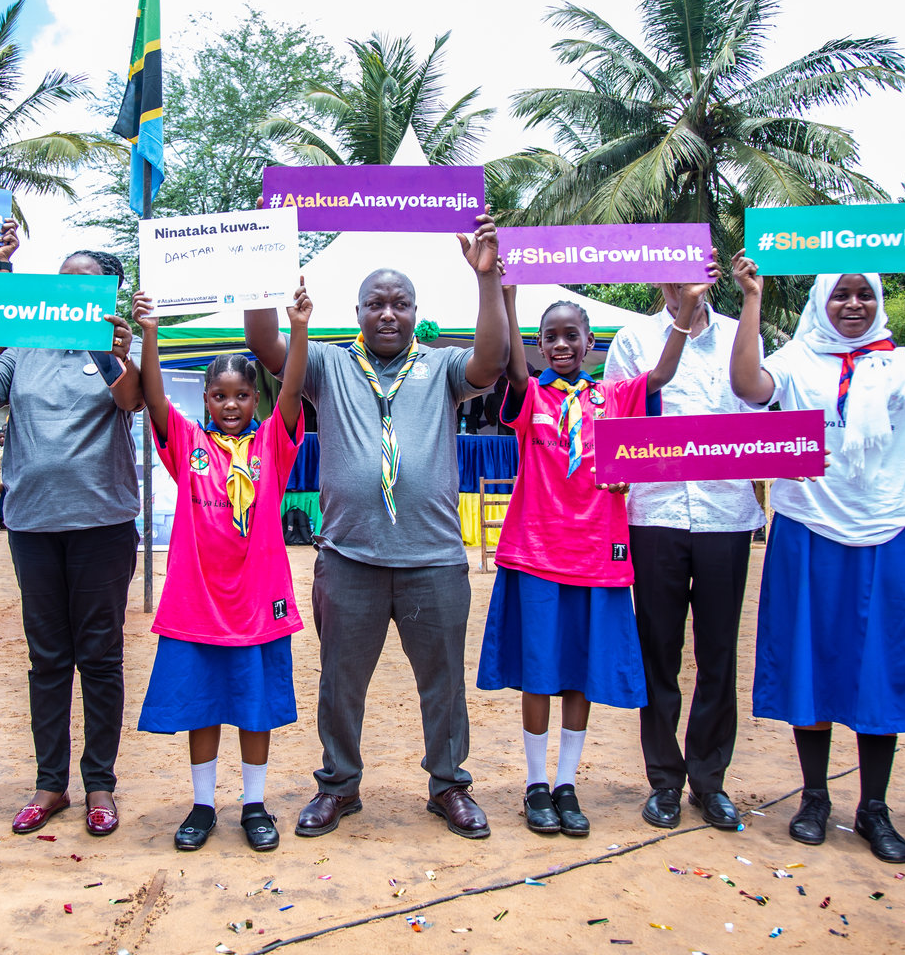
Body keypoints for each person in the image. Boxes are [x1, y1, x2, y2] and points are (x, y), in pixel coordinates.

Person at [728, 244, 905, 864]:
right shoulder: (796, 360)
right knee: (812, 666)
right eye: (841, 294)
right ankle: (816, 797)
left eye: (864, 294)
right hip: (807, 530)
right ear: (822, 300)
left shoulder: (904, 366)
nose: (853, 304)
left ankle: (873, 806)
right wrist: (751, 300)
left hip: (886, 537)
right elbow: (748, 387)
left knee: (883, 670)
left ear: (877, 301)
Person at [243, 213, 508, 840]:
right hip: (349, 559)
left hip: (434, 559)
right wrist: (257, 261)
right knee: (339, 681)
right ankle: (338, 786)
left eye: (401, 304)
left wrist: (488, 279)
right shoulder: (328, 367)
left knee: (442, 683)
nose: (388, 314)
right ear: (356, 311)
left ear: (417, 312)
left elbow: (492, 362)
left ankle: (448, 785)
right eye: (375, 304)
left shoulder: (442, 368)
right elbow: (265, 347)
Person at [0, 246, 141, 838]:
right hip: (34, 526)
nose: (72, 290)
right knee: (47, 658)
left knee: (99, 656)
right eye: (63, 281)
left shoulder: (121, 347)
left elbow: (132, 400)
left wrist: (107, 347)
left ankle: (100, 784)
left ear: (109, 291)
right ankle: (50, 783)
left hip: (102, 524)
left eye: (86, 283)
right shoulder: (24, 348)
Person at [481, 275, 712, 838]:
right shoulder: (529, 395)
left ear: (590, 344)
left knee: (580, 675)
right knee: (539, 672)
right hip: (536, 551)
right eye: (549, 338)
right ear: (539, 344)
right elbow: (511, 364)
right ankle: (536, 785)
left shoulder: (614, 398)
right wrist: (507, 297)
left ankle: (566, 783)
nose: (561, 346)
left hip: (596, 555)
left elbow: (661, 375)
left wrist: (684, 315)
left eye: (571, 336)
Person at [132, 280, 311, 852]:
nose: (230, 406)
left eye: (241, 396)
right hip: (197, 601)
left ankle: (255, 804)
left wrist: (299, 329)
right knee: (203, 707)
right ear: (205, 400)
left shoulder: (273, 446)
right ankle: (204, 805)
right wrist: (150, 335)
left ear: (256, 399)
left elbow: (293, 392)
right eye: (218, 396)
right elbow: (155, 401)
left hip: (259, 600)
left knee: (254, 710)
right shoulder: (187, 445)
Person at [603, 266, 765, 832]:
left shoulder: (740, 335)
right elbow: (619, 419)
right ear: (656, 282)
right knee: (659, 654)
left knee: (718, 654)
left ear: (710, 277)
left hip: (726, 515)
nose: (682, 289)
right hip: (655, 515)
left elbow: (756, 417)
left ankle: (710, 781)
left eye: (691, 278)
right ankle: (665, 781)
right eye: (671, 279)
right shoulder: (634, 341)